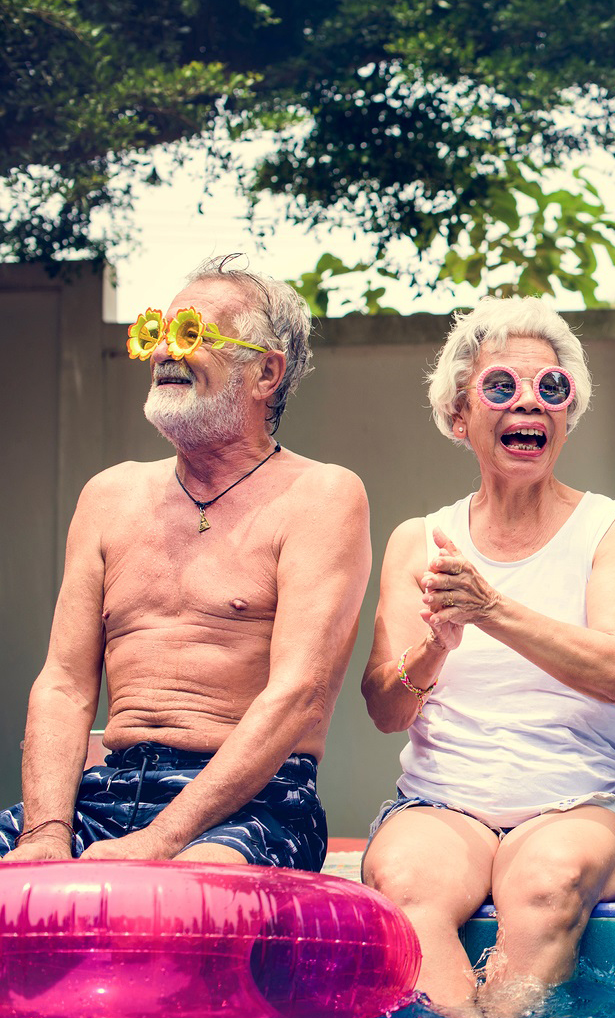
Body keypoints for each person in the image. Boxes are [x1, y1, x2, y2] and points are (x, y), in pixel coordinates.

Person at [0, 255, 369, 870]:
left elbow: (298, 693)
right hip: (107, 788)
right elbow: (63, 685)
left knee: (196, 890)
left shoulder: (321, 496)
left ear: (265, 374)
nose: (165, 352)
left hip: (258, 801)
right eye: (157, 332)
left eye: (192, 334)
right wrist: (45, 832)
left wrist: (160, 840)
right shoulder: (108, 495)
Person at [360, 297, 615, 1018]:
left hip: (576, 799)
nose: (530, 403)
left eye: (552, 388)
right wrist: (436, 646)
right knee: (403, 881)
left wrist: (492, 609)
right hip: (442, 801)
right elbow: (384, 708)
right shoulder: (420, 538)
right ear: (461, 416)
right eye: (501, 387)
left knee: (547, 883)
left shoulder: (609, 525)